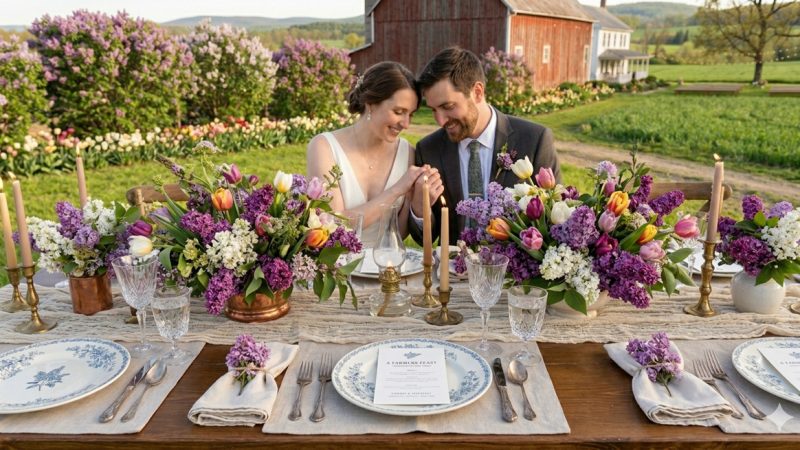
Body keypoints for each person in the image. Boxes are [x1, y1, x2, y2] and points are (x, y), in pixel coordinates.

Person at [409, 47, 561, 246]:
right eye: (433, 110)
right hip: (454, 273)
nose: (440, 120)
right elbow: (424, 239)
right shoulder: (428, 149)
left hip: (514, 273)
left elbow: (556, 220)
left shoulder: (534, 140)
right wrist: (420, 208)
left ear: (477, 92)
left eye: (448, 107)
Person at [306, 61, 424, 247]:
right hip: (337, 268)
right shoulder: (324, 147)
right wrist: (397, 190)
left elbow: (397, 233)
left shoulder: (407, 152)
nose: (406, 123)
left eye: (411, 114)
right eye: (399, 112)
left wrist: (413, 199)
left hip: (387, 268)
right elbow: (333, 224)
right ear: (371, 104)